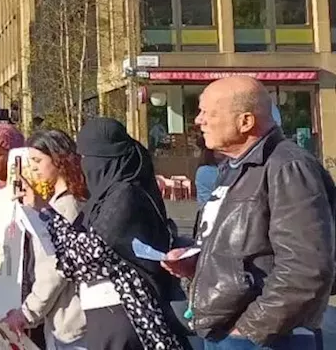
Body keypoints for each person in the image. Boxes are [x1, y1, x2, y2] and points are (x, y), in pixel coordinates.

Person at [165, 77, 335, 350]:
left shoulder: (287, 166)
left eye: (209, 112)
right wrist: (196, 263)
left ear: (245, 122)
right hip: (227, 329)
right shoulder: (234, 168)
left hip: (266, 337)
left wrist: (249, 329)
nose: (199, 120)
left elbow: (306, 268)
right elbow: (246, 247)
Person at [29, 117, 189, 350]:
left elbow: (84, 258)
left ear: (104, 159)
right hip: (108, 314)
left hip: (127, 314)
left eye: (87, 159)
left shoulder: (124, 196)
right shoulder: (106, 196)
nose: (83, 165)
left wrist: (45, 212)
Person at [6, 129, 88, 350]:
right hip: (62, 321)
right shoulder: (58, 203)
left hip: (70, 324)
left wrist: (27, 312)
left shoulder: (67, 206)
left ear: (58, 159)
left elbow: (55, 268)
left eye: (37, 160)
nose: (33, 167)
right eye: (30, 161)